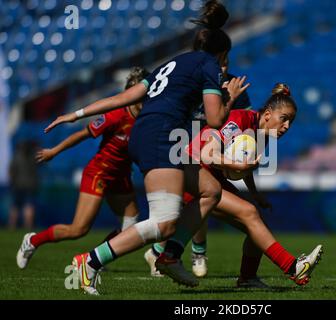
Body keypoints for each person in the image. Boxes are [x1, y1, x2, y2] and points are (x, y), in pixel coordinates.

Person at [45, 0, 249, 295]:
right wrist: (228, 96)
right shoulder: (210, 66)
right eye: (226, 60)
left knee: (211, 191)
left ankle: (169, 257)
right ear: (222, 54)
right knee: (163, 223)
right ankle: (89, 261)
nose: (226, 66)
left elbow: (124, 98)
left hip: (153, 133)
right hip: (162, 135)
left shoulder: (174, 62)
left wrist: (76, 114)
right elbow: (216, 120)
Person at [155, 83, 323, 289]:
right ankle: (293, 268)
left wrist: (255, 193)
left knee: (258, 227)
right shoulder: (239, 119)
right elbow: (209, 154)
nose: (287, 126)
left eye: (291, 122)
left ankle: (248, 278)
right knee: (249, 214)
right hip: (193, 173)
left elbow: (244, 167)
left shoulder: (261, 135)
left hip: (209, 177)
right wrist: (240, 165)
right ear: (268, 115)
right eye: (284, 119)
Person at [16, 67, 149, 269]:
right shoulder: (116, 114)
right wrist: (54, 151)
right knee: (78, 229)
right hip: (100, 173)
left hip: (121, 175)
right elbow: (83, 134)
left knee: (130, 224)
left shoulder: (149, 116)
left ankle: (96, 260)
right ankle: (33, 241)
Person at [144, 56, 257, 279]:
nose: (223, 68)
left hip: (216, 149)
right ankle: (183, 252)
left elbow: (245, 126)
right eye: (219, 63)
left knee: (201, 200)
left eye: (226, 62)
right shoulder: (194, 80)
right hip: (186, 144)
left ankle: (168, 252)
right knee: (191, 203)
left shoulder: (236, 87)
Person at [8, 140, 39, 230]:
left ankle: (11, 226)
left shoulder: (16, 157)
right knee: (28, 206)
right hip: (30, 185)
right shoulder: (33, 157)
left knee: (15, 206)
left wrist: (12, 182)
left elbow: (11, 171)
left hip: (17, 184)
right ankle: (28, 226)